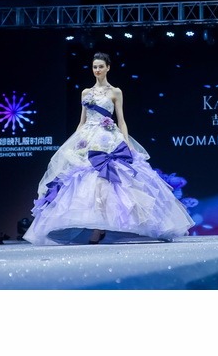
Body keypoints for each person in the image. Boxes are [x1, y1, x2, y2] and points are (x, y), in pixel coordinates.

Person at [23, 52, 195, 245]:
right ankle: (97, 226)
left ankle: (114, 227)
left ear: (108, 68)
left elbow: (121, 120)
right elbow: (82, 121)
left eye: (100, 66)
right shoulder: (85, 92)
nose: (97, 70)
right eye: (94, 67)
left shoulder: (115, 92)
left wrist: (127, 143)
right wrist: (74, 142)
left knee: (112, 180)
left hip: (108, 137)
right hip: (87, 138)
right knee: (84, 181)